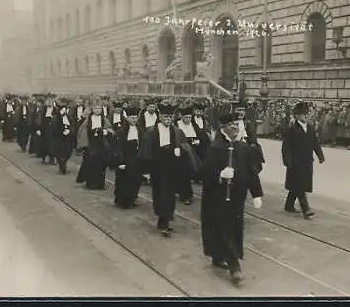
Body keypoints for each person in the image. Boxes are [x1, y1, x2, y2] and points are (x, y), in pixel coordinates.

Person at [201, 111, 263, 284]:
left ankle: (218, 256)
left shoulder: (243, 147)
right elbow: (204, 173)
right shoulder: (215, 148)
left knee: (233, 228)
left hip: (238, 196)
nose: (235, 127)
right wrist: (219, 175)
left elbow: (252, 171)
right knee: (224, 228)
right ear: (223, 128)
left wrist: (256, 193)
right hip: (218, 197)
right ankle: (235, 266)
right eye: (231, 125)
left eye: (237, 124)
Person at [138, 101, 190, 237]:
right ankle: (163, 218)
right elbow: (146, 152)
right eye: (166, 117)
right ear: (160, 117)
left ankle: (166, 220)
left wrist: (180, 151)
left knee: (169, 195)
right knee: (159, 194)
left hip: (171, 166)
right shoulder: (151, 132)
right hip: (157, 167)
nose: (168, 120)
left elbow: (183, 145)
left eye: (170, 117)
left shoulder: (176, 131)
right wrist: (146, 171)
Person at [282, 101, 325, 219]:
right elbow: (286, 147)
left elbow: (315, 143)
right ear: (296, 115)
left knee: (297, 185)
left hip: (307, 162)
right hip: (295, 163)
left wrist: (320, 156)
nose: (306, 116)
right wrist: (288, 161)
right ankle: (306, 209)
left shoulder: (310, 128)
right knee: (300, 186)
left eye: (307, 113)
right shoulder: (291, 129)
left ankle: (289, 205)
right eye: (303, 114)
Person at [76, 98, 114, 190]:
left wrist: (106, 132)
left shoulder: (104, 119)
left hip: (101, 143)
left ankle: (100, 183)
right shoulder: (88, 120)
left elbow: (110, 129)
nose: (97, 110)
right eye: (96, 108)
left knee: (101, 165)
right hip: (91, 143)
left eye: (99, 108)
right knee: (90, 164)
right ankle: (90, 183)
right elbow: (83, 131)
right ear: (92, 109)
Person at [111, 106, 144, 209]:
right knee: (124, 180)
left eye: (136, 118)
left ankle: (132, 198)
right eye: (132, 118)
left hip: (136, 158)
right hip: (125, 158)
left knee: (136, 180)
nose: (134, 120)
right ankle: (122, 200)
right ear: (127, 118)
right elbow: (118, 147)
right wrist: (120, 162)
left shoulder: (140, 131)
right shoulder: (121, 132)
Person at [52, 98, 76, 175]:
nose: (63, 111)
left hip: (68, 138)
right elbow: (54, 129)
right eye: (62, 109)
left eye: (65, 109)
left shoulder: (69, 118)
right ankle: (62, 167)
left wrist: (69, 131)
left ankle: (63, 164)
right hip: (59, 138)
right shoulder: (55, 118)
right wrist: (62, 131)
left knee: (67, 152)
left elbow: (73, 126)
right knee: (60, 153)